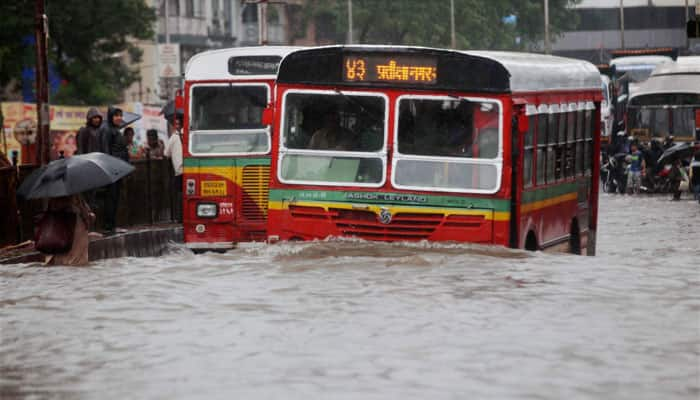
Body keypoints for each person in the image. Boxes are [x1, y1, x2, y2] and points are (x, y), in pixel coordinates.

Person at [42, 195, 94, 266]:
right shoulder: (79, 205)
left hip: (64, 256)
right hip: (77, 259)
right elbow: (90, 217)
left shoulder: (55, 203)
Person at [99, 107, 127, 233]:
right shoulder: (107, 130)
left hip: (118, 168)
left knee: (115, 198)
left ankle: (112, 225)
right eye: (116, 115)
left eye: (120, 115)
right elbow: (106, 150)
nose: (119, 118)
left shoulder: (116, 130)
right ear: (111, 117)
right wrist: (109, 167)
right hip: (112, 169)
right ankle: (108, 226)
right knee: (110, 198)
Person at [164, 117, 183, 222]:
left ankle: (180, 217)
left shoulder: (173, 137)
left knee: (179, 193)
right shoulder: (188, 135)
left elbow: (166, 154)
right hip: (190, 168)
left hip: (179, 170)